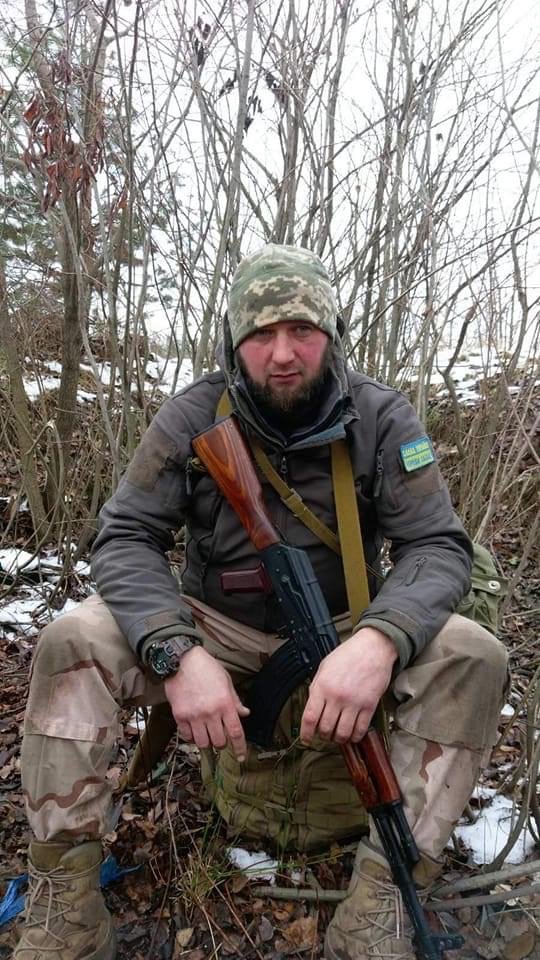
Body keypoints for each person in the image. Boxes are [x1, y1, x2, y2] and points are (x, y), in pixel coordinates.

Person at [15, 244, 508, 960]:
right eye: (261, 334)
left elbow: (437, 546)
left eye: (302, 330)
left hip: (344, 630)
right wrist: (175, 651)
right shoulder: (191, 415)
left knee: (473, 653)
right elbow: (124, 537)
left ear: (331, 334)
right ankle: (67, 911)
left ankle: (381, 906)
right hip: (212, 628)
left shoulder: (381, 416)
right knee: (72, 640)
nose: (282, 354)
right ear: (233, 341)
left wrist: (380, 641)